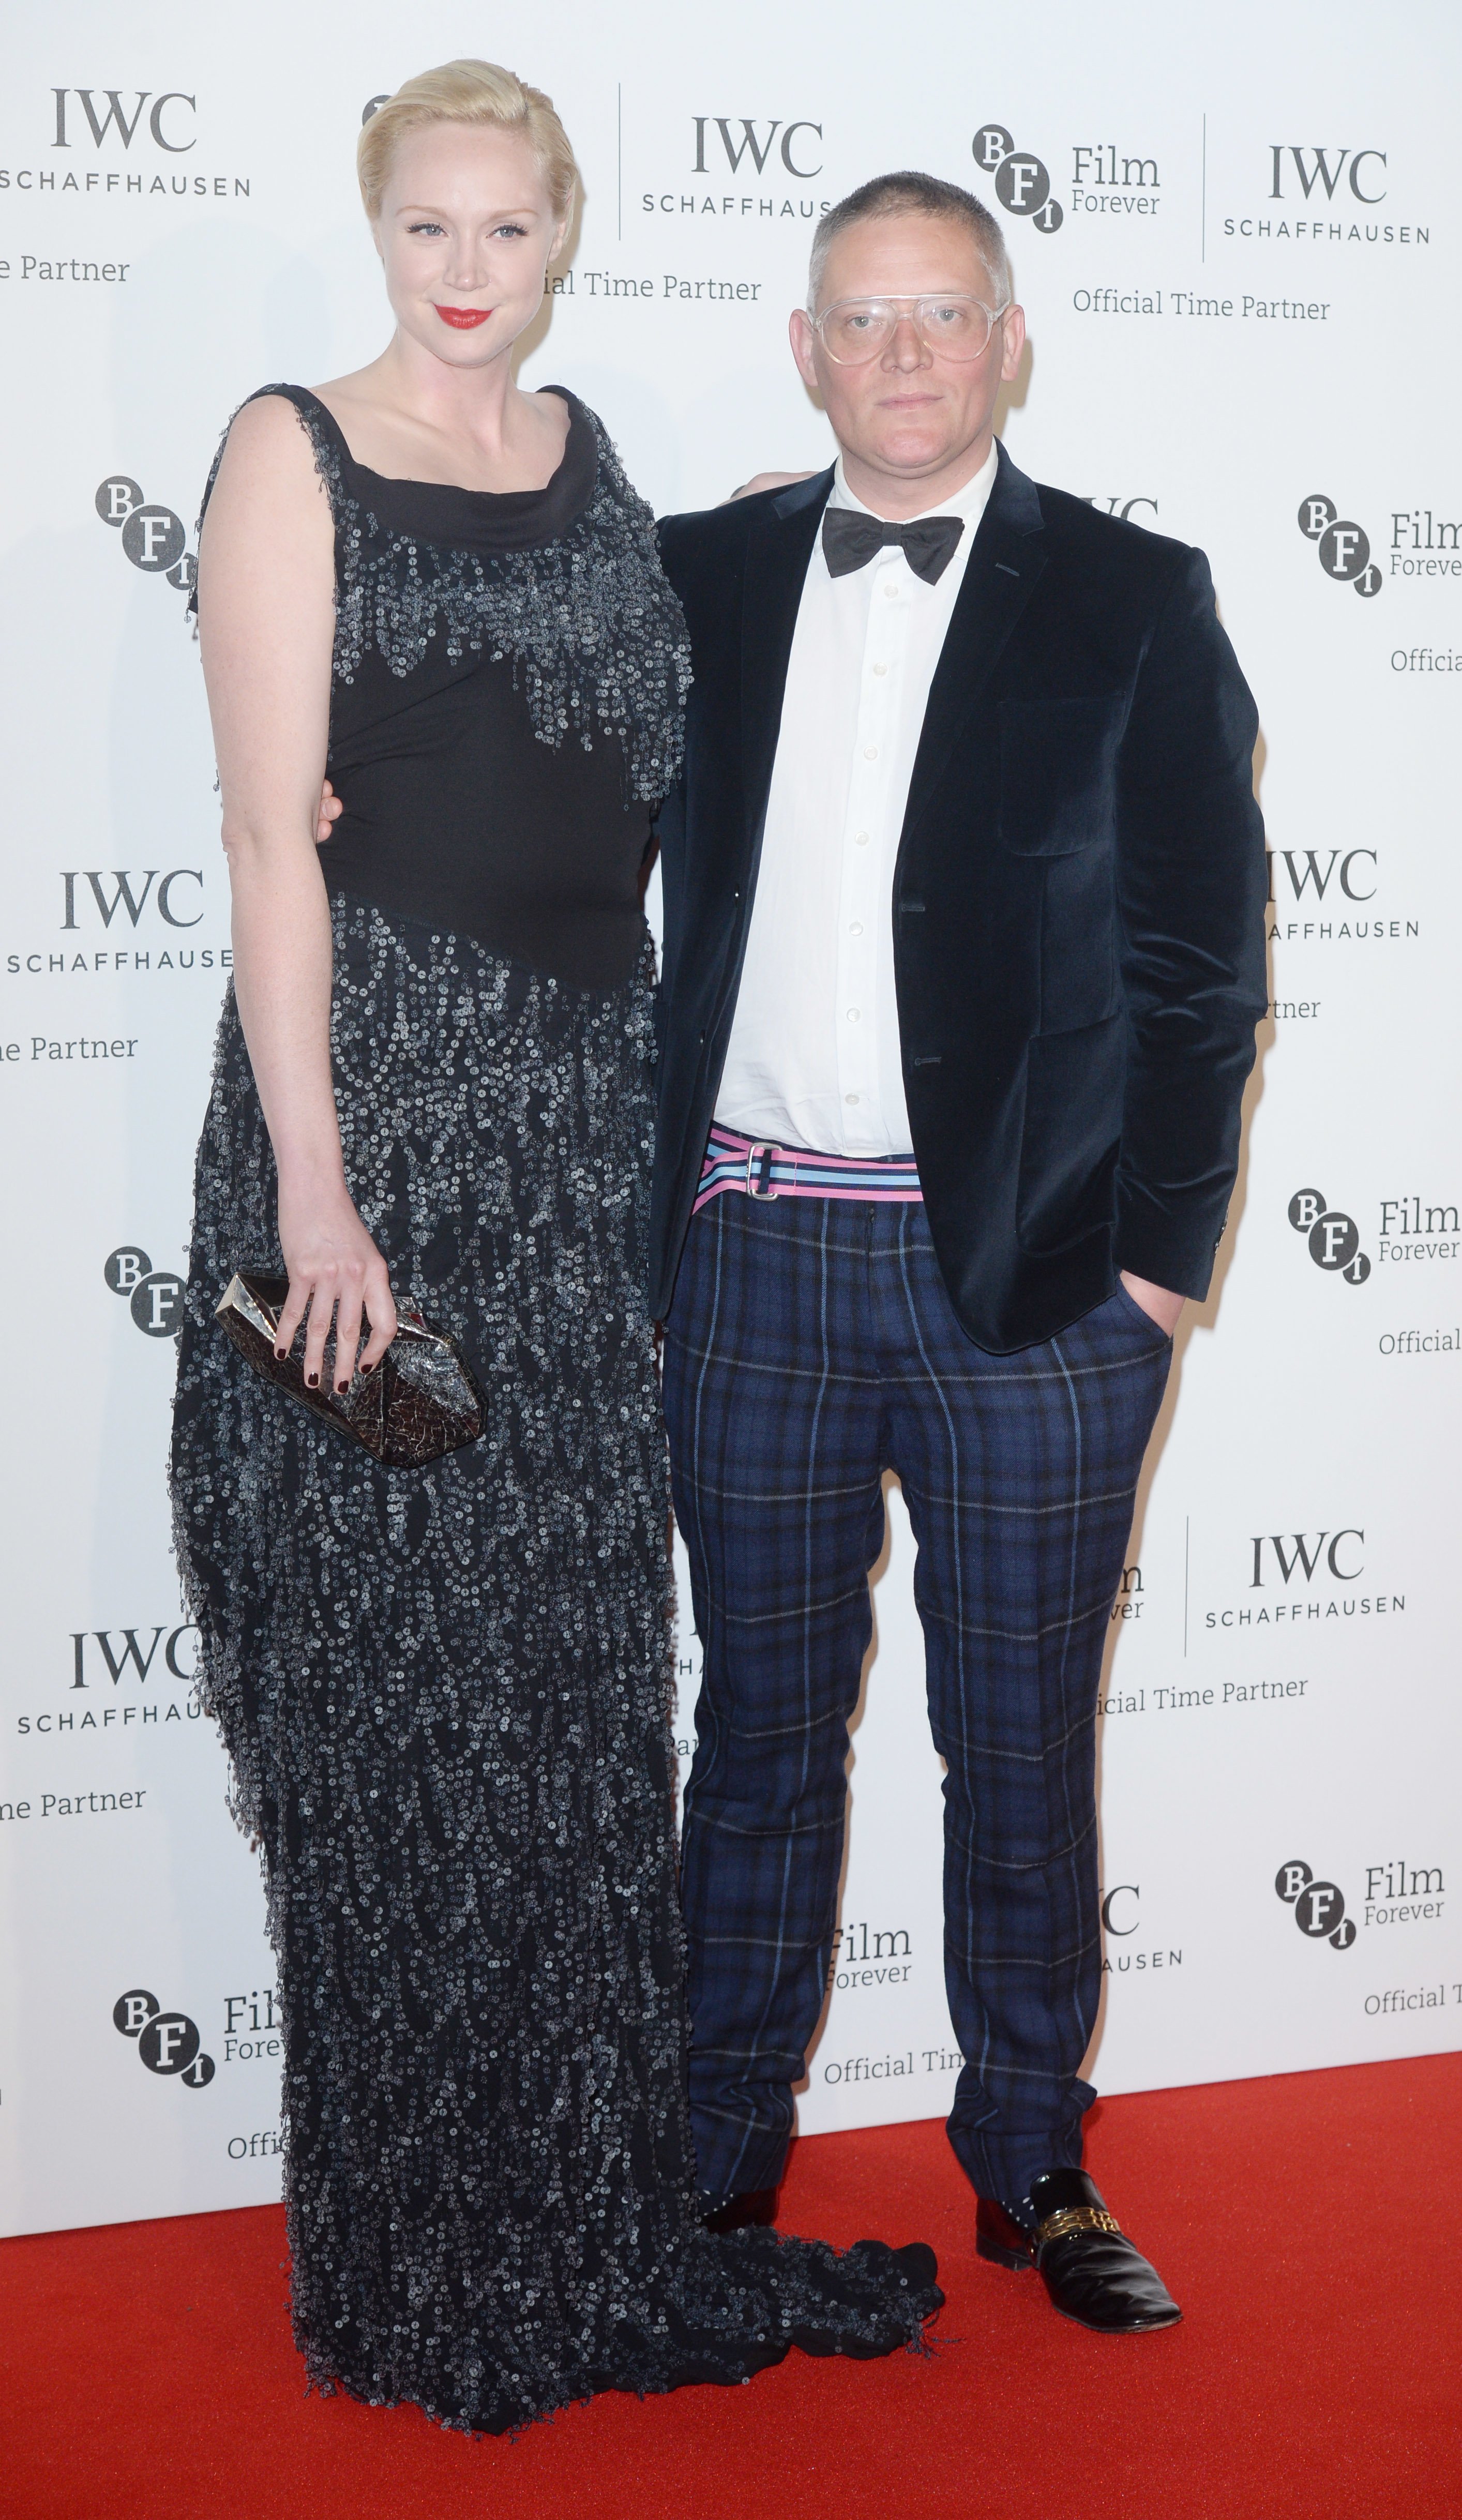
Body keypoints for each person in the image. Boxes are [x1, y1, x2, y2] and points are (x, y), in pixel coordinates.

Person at [169, 69, 940, 2438]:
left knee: (575, 1716)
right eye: (427, 223)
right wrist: (317, 1188)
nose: (466, 265)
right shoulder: (287, 451)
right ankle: (420, 2264)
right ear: (376, 230)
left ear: (563, 231)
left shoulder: (598, 464)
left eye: (506, 223)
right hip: (381, 1120)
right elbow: (273, 851)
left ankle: (586, 2215)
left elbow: (658, 727)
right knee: (402, 1726)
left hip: (585, 1131)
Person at [650, 171, 1269, 2333]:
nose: (900, 355)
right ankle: (712, 2157)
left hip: (1031, 1290)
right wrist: (339, 788)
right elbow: (541, 803)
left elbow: (1200, 965)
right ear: (803, 350)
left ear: (1008, 343)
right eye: (861, 318)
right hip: (750, 1262)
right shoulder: (703, 575)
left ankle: (1030, 2157)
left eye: (942, 316)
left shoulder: (1131, 597)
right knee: (754, 1733)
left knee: (1017, 1738)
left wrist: (1159, 1268)